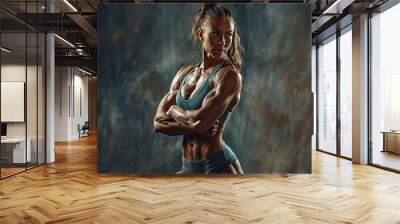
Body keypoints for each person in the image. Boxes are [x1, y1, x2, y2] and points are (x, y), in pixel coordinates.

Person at [153, 4, 244, 174]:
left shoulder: (229, 77)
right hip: (187, 166)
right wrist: (195, 126)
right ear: (200, 33)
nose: (223, 42)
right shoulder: (184, 74)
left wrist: (173, 110)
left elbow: (197, 122)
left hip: (219, 166)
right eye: (215, 34)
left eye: (228, 35)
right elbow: (157, 123)